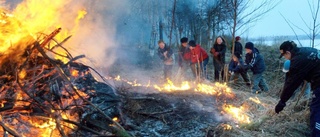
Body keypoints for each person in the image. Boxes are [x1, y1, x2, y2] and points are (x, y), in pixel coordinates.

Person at [275, 41, 320, 136]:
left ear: (288, 53)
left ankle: (316, 134)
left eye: (284, 55)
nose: (285, 58)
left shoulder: (298, 60)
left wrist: (282, 101)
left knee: (316, 110)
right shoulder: (306, 51)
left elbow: (292, 83)